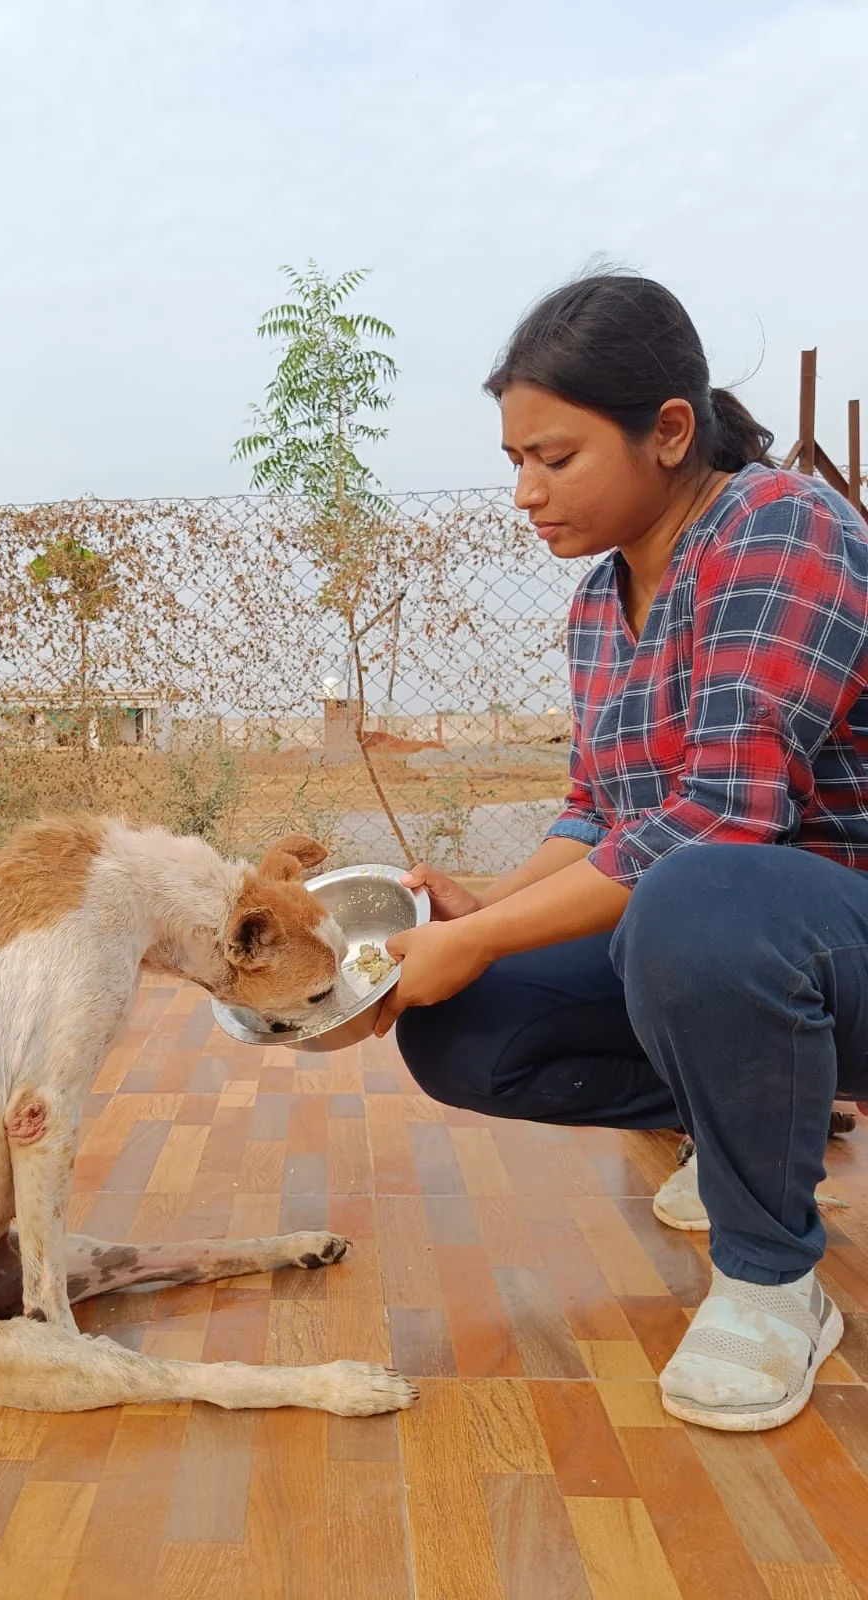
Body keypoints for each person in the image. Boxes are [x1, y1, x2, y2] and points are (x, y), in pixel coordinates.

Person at [374, 270, 868, 1432]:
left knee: (699, 901)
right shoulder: (602, 604)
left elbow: (718, 818)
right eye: (514, 462)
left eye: (554, 456)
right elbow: (600, 807)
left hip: (831, 936)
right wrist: (476, 913)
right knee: (464, 1022)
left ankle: (769, 1275)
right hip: (736, 940)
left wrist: (486, 934)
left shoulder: (779, 527)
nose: (525, 493)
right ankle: (752, 1120)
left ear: (669, 431)